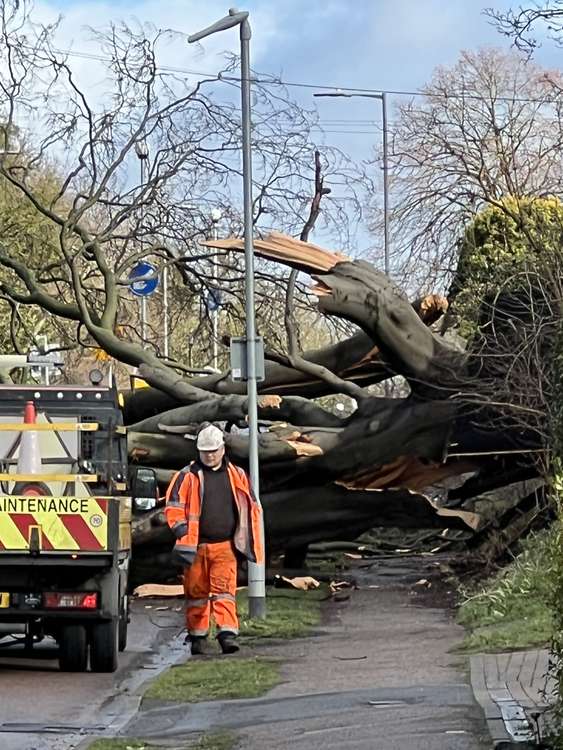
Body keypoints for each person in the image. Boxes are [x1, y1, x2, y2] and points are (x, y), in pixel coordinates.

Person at [165, 423, 263, 655]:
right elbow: (173, 506)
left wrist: (247, 542)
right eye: (205, 451)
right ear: (198, 451)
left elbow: (250, 507)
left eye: (213, 450)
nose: (209, 455)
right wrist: (181, 531)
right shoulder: (186, 476)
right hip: (194, 546)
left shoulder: (237, 475)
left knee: (224, 592)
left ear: (222, 449)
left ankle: (227, 635)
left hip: (225, 545)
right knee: (196, 594)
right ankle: (198, 637)